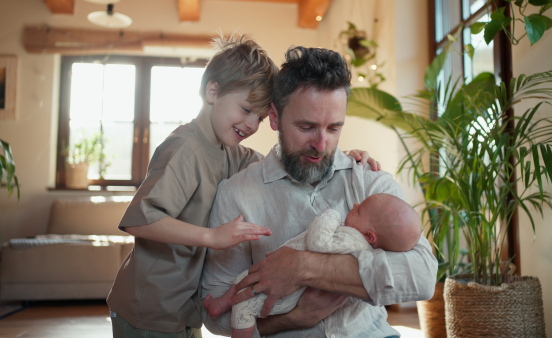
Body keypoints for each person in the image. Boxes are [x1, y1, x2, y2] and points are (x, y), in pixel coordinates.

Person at [106, 35, 379, 337]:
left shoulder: (230, 151)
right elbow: (140, 221)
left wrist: (344, 158)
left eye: (260, 118)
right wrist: (212, 237)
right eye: (246, 109)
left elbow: (283, 163)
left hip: (183, 306)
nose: (251, 125)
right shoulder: (184, 148)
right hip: (148, 305)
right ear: (213, 92)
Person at [201, 46, 438, 338]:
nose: (321, 144)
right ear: (274, 118)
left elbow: (422, 277)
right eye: (306, 126)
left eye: (334, 128)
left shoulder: (370, 181)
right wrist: (296, 319)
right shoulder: (236, 194)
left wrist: (302, 267)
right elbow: (216, 314)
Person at [203, 193, 423, 338]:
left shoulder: (352, 240)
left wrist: (331, 215)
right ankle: (221, 304)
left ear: (369, 236)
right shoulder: (359, 240)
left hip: (287, 295)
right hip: (276, 279)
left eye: (359, 210)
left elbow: (318, 242)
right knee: (244, 281)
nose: (354, 205)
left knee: (244, 307)